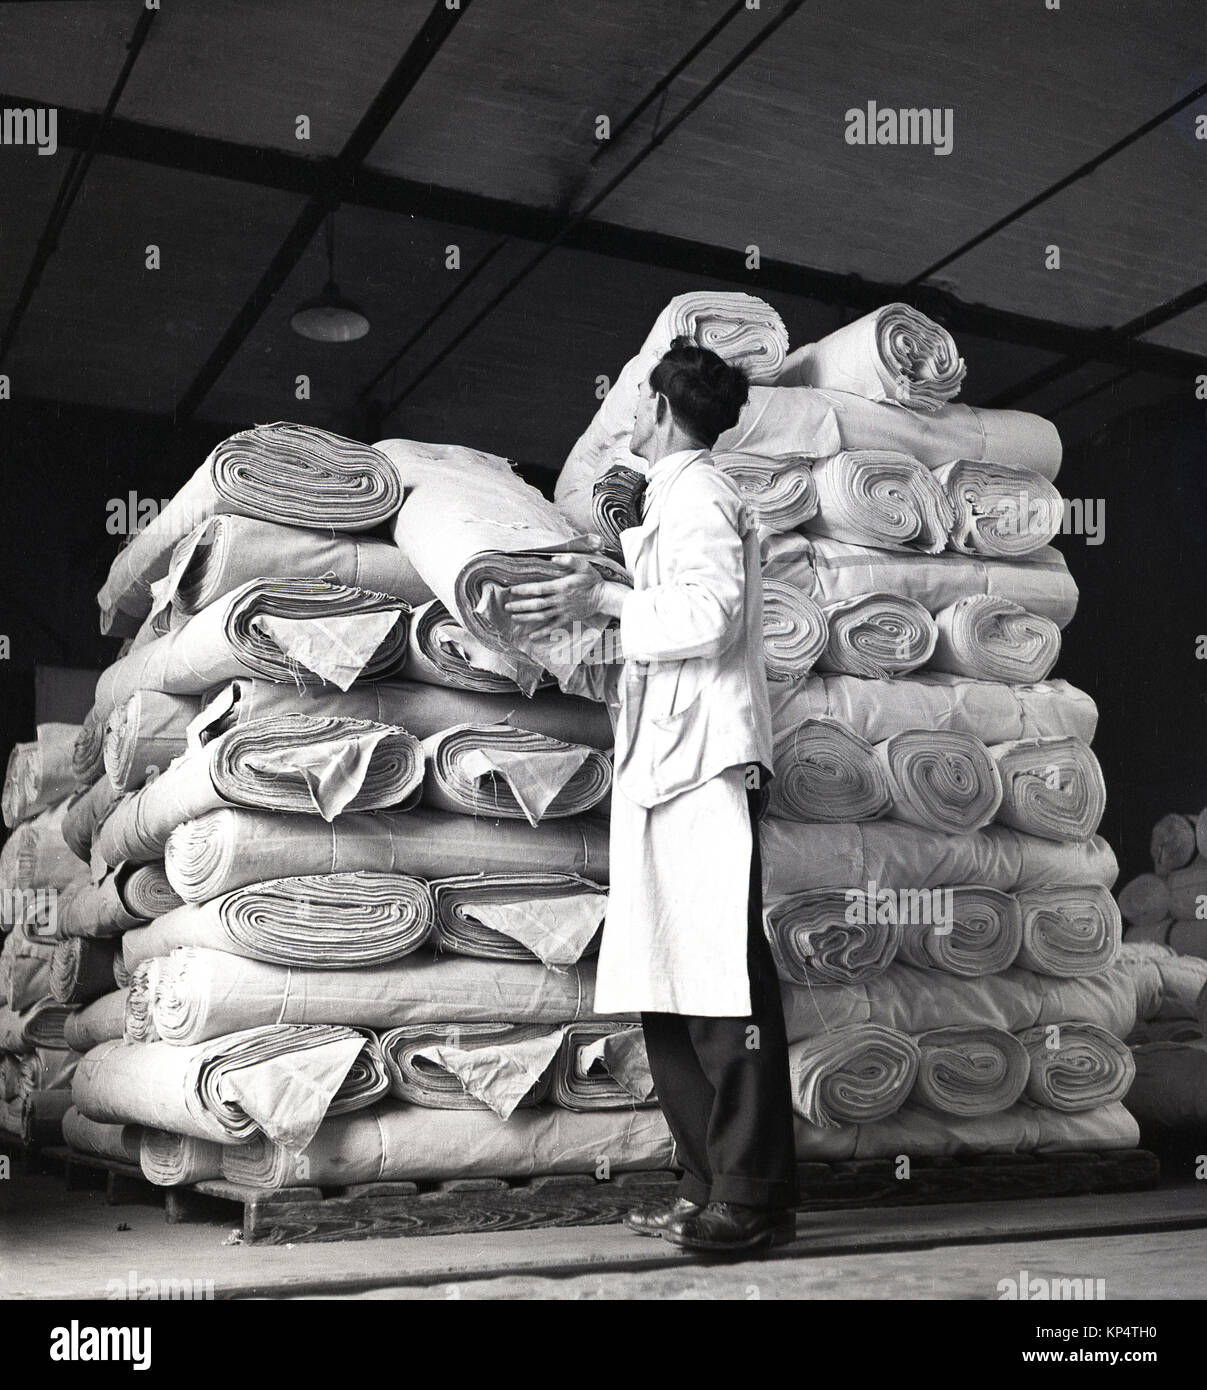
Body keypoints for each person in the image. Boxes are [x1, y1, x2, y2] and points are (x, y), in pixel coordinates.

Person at [503, 338, 798, 1256]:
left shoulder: (703, 492)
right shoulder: (672, 501)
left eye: (636, 404)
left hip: (706, 767)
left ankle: (750, 1199)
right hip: (666, 769)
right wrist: (610, 589)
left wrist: (608, 599)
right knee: (665, 980)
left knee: (718, 980)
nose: (627, 418)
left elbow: (708, 618)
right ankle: (706, 1186)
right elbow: (671, 606)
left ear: (664, 411)